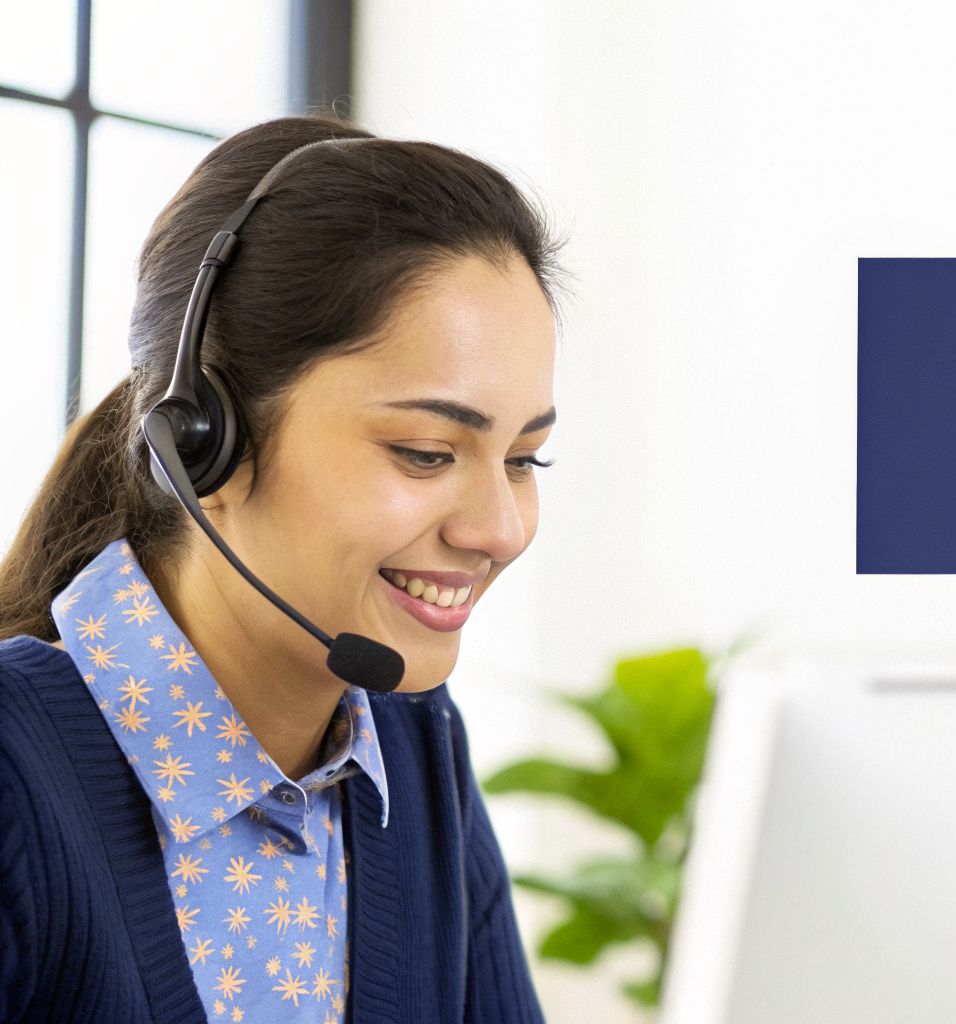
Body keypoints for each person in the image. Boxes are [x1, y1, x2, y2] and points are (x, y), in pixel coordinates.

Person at [0, 113, 565, 1022]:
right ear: (203, 444)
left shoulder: (413, 750)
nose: (498, 529)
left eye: (522, 459)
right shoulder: (16, 777)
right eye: (426, 452)